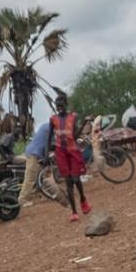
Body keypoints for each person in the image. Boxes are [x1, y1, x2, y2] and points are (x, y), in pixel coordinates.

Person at [48, 92, 89, 221]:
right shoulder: (53, 119)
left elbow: (75, 136)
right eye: (57, 105)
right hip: (61, 152)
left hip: (73, 150)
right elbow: (49, 138)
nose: (59, 107)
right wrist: (45, 154)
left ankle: (83, 198)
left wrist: (83, 124)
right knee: (68, 181)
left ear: (66, 105)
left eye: (61, 105)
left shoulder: (73, 117)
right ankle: (74, 212)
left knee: (76, 179)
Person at [21, 118, 52, 204]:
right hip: (34, 153)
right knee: (30, 177)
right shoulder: (50, 128)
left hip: (35, 152)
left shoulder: (46, 126)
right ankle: (23, 199)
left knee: (38, 175)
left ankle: (34, 194)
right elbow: (48, 144)